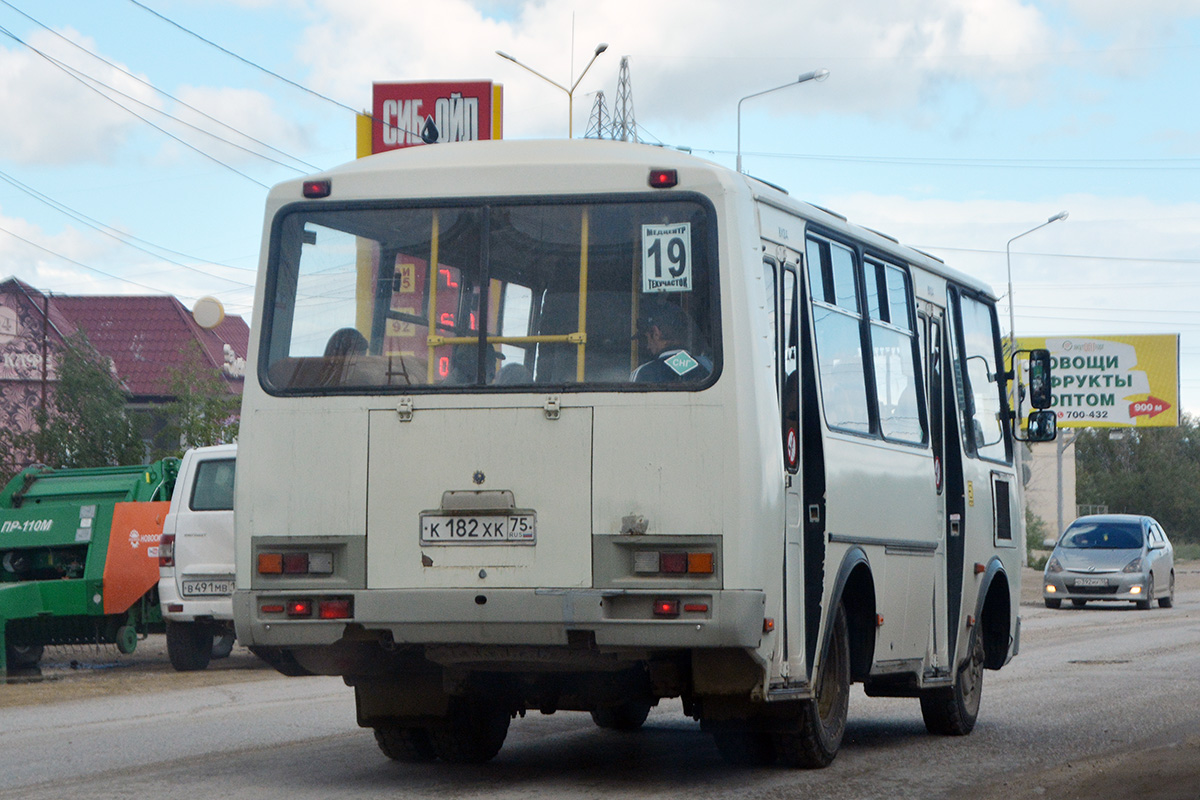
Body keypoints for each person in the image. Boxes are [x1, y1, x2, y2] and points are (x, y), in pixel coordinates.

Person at [631, 303, 711, 383]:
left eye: (646, 339)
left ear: (656, 333)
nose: (648, 346)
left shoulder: (643, 373)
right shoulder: (708, 366)